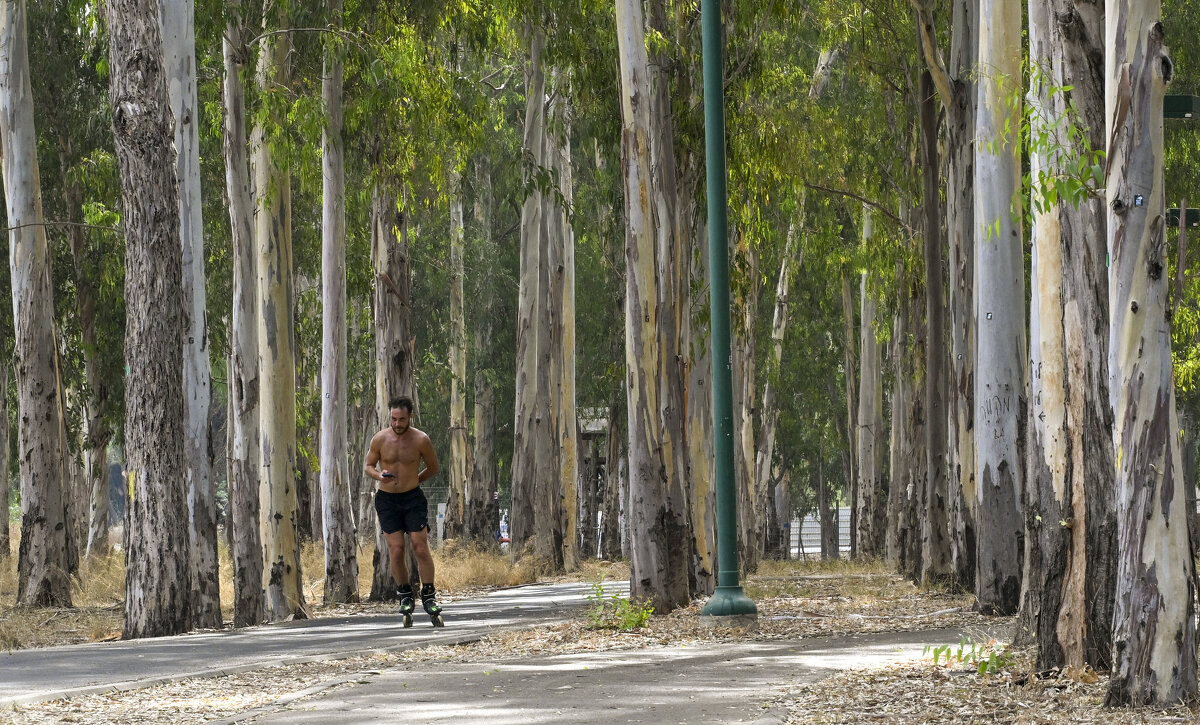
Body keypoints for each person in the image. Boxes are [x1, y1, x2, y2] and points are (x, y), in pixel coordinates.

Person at [364, 395, 442, 619]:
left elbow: (433, 467)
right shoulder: (379, 439)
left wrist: (414, 480)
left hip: (412, 499)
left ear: (410, 417)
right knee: (396, 549)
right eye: (394, 419)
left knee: (419, 545)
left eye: (402, 419)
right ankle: (405, 595)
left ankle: (428, 595)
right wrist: (380, 475)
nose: (397, 424)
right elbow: (368, 466)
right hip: (387, 500)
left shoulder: (421, 439)